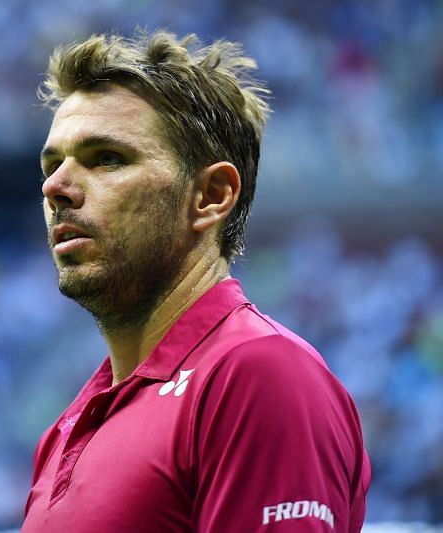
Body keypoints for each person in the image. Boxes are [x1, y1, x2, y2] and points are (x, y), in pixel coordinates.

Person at [22, 30, 370, 532]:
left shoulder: (259, 375)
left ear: (211, 195)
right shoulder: (69, 426)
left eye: (107, 158)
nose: (55, 187)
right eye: (52, 165)